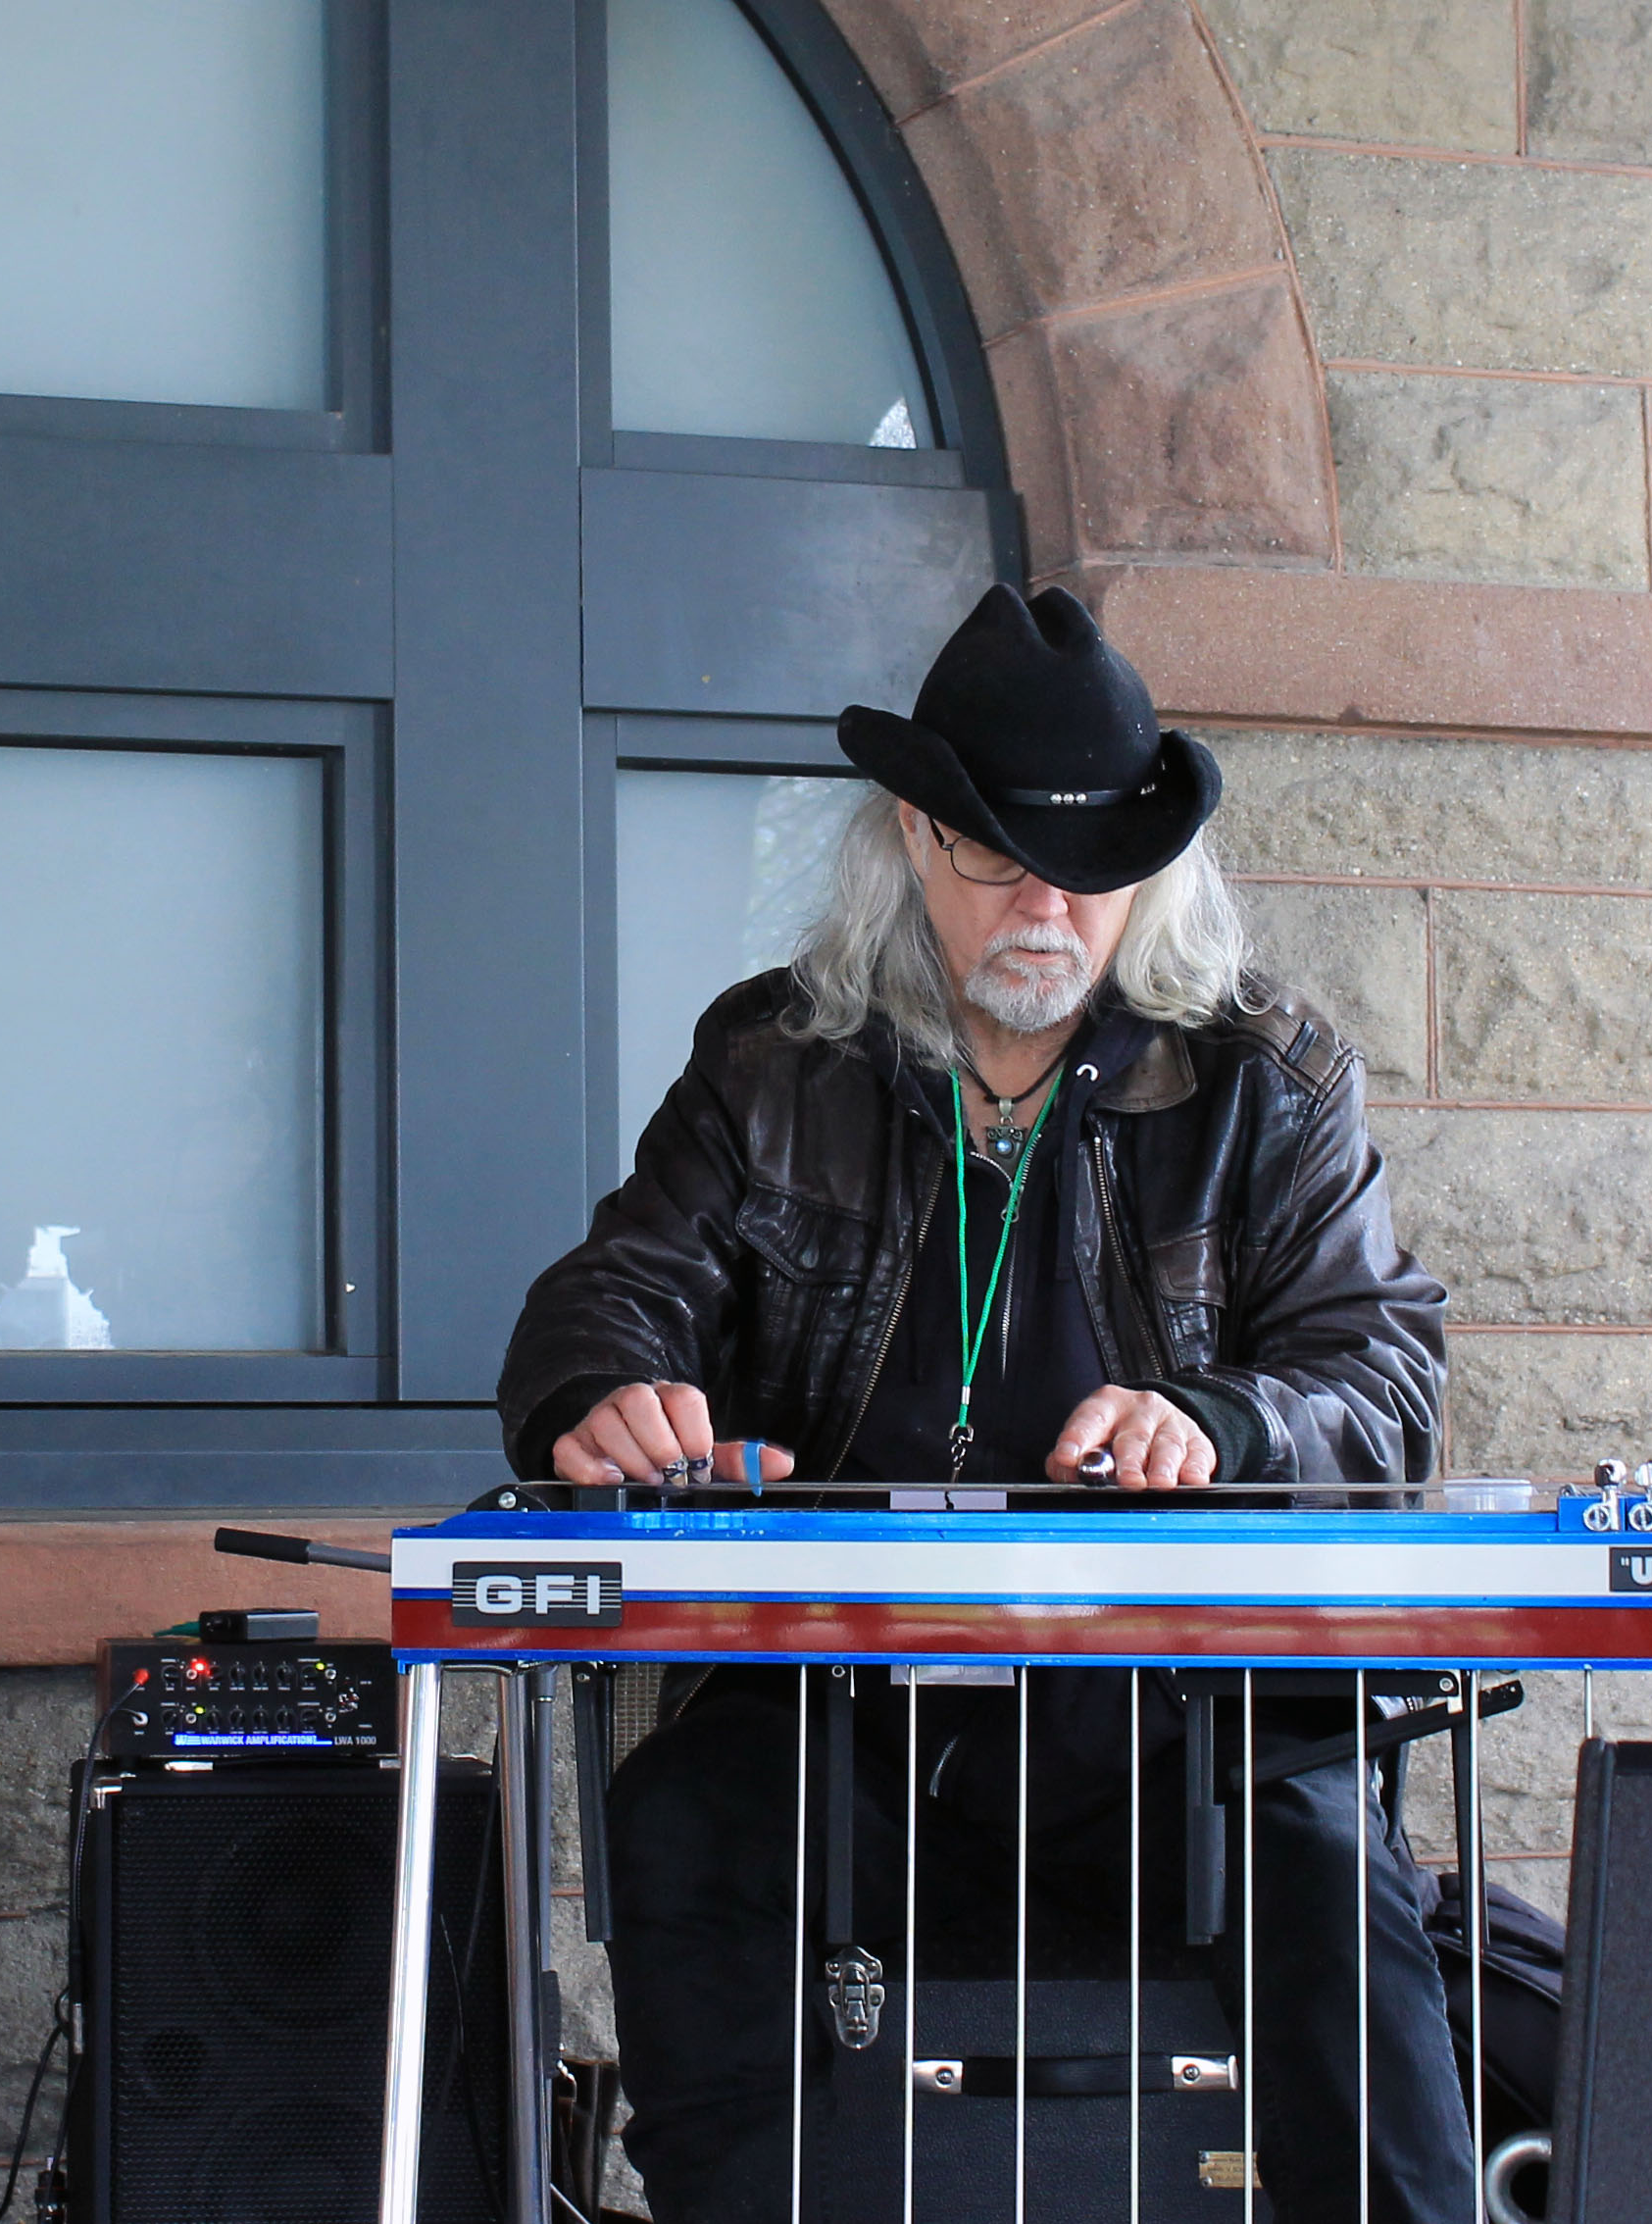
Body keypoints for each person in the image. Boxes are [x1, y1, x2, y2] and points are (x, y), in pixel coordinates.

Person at [494, 583, 1467, 2223]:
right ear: (906, 841)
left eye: (1091, 870)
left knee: (1321, 1869)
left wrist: (1219, 1425)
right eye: (993, 855)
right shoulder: (771, 1062)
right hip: (841, 1702)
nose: (1045, 905)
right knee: (688, 1824)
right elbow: (613, 1287)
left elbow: (1381, 1373)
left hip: (1176, 1713)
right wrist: (605, 1387)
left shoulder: (1264, 1077)